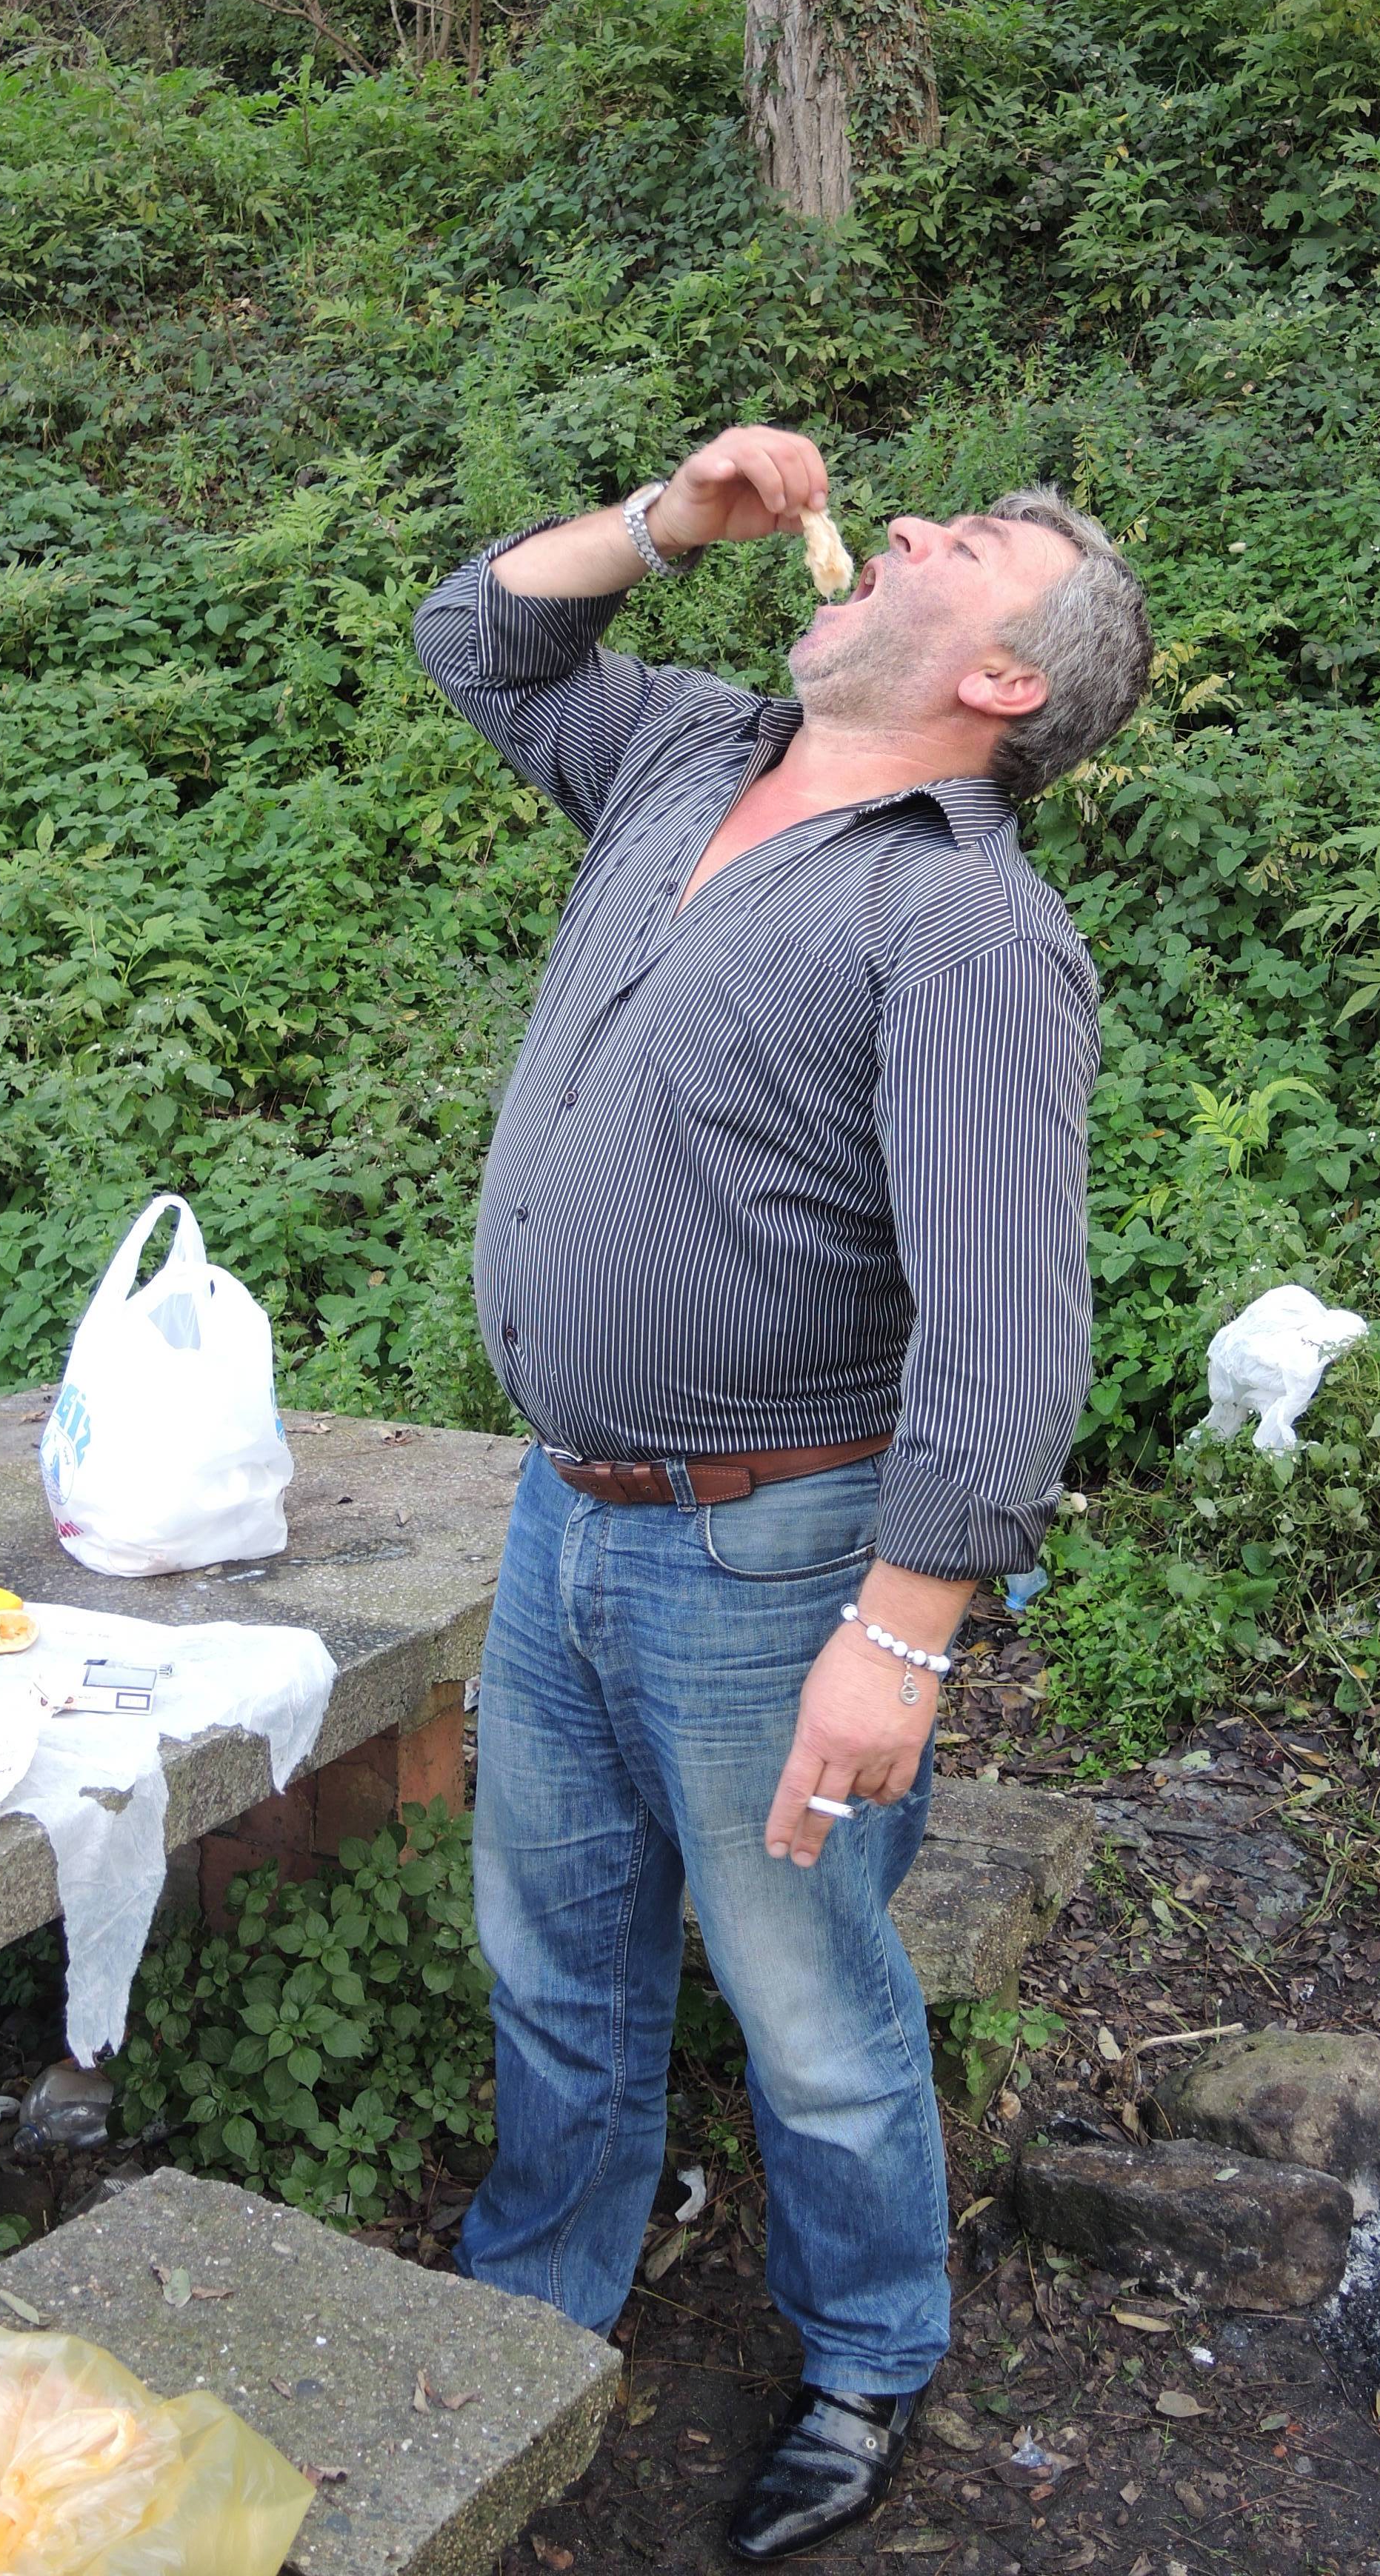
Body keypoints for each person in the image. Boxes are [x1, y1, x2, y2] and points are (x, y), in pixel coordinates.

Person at [414, 426, 1151, 2561]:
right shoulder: (684, 755)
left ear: (1005, 680)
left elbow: (1009, 1333)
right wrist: (669, 523)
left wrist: (898, 1642)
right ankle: (537, 2301)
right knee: (552, 1955)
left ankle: (869, 2358)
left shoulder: (966, 926)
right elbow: (480, 640)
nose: (904, 520)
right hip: (565, 1508)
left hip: (775, 1555)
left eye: (967, 545)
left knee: (810, 2007)